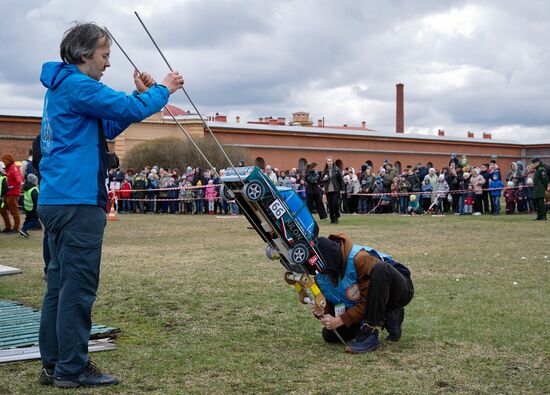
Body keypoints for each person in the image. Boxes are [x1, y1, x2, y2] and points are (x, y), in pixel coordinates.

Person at [37, 22, 183, 388]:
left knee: (58, 285)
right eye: (104, 55)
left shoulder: (63, 87)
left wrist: (142, 96)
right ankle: (72, 368)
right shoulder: (78, 85)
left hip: (57, 199)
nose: (107, 64)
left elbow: (107, 125)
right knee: (77, 288)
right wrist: (163, 89)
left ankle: (54, 363)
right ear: (85, 54)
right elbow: (123, 107)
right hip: (78, 202)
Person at [311, 233, 414, 353]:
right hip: (366, 301)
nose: (321, 274)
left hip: (396, 291)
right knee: (330, 335)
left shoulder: (360, 259)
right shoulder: (320, 276)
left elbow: (366, 301)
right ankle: (385, 315)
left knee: (380, 269)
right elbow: (334, 307)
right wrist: (322, 310)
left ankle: (370, 330)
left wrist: (340, 320)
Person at [0, 154, 23, 234]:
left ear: (8, 160)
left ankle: (16, 228)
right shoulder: (8, 168)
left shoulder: (14, 167)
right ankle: (8, 227)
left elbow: (18, 178)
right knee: (2, 210)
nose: (3, 162)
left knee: (14, 211)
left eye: (4, 161)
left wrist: (18, 183)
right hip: (6, 192)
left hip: (13, 193)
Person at [321, 158, 344, 224]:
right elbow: (322, 180)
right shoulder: (325, 170)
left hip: (336, 189)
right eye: (328, 161)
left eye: (330, 161)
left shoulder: (336, 169)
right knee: (330, 205)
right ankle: (332, 219)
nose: (329, 162)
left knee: (334, 203)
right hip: (328, 190)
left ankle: (336, 217)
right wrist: (324, 179)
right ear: (327, 162)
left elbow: (341, 180)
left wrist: (342, 189)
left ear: (332, 162)